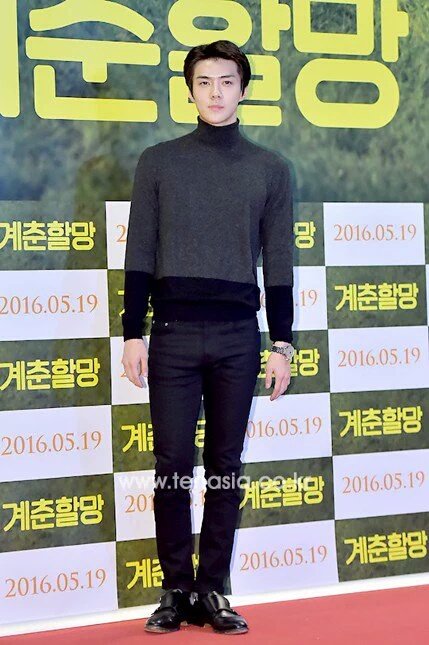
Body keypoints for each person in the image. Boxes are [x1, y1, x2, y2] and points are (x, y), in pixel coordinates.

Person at [121, 39, 295, 635]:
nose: (215, 92)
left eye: (226, 81)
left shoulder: (270, 168)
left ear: (243, 90)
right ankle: (175, 590)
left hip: (238, 337)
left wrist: (282, 343)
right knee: (172, 465)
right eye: (203, 82)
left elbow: (280, 263)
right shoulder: (158, 162)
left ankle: (213, 588)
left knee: (224, 465)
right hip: (170, 335)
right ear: (189, 90)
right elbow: (140, 251)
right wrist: (133, 333)